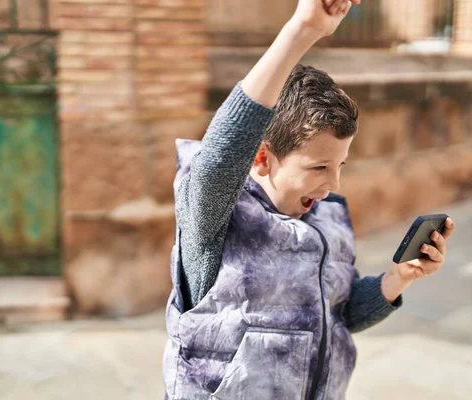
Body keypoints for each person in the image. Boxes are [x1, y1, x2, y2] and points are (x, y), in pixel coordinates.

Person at [163, 0, 456, 399]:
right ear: (262, 158)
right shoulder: (215, 217)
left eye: (341, 165)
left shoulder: (327, 220)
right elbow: (221, 154)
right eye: (318, 168)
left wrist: (397, 278)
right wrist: (303, 29)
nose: (331, 183)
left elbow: (341, 315)